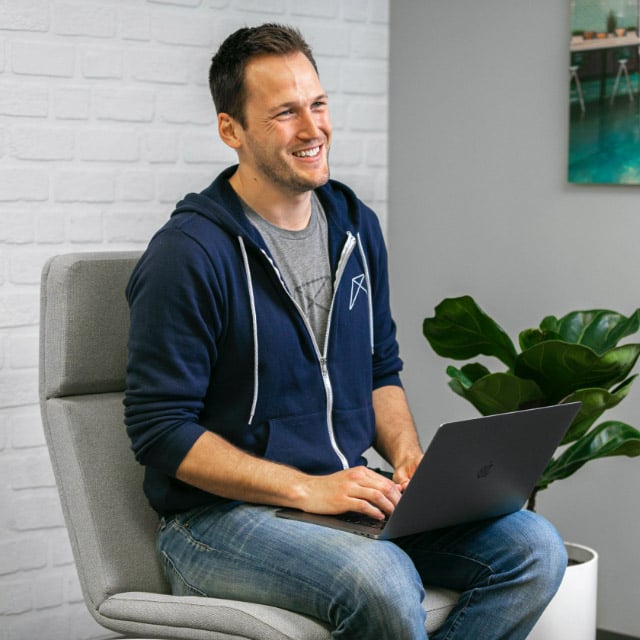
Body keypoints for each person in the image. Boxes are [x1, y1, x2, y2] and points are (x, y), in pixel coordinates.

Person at [124, 23, 567, 639]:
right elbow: (161, 431)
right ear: (232, 130)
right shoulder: (188, 254)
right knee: (381, 579)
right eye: (284, 113)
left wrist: (410, 459)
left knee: (535, 547)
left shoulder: (354, 225)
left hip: (344, 497)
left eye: (318, 104)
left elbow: (380, 369)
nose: (313, 130)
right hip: (215, 524)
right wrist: (308, 489)